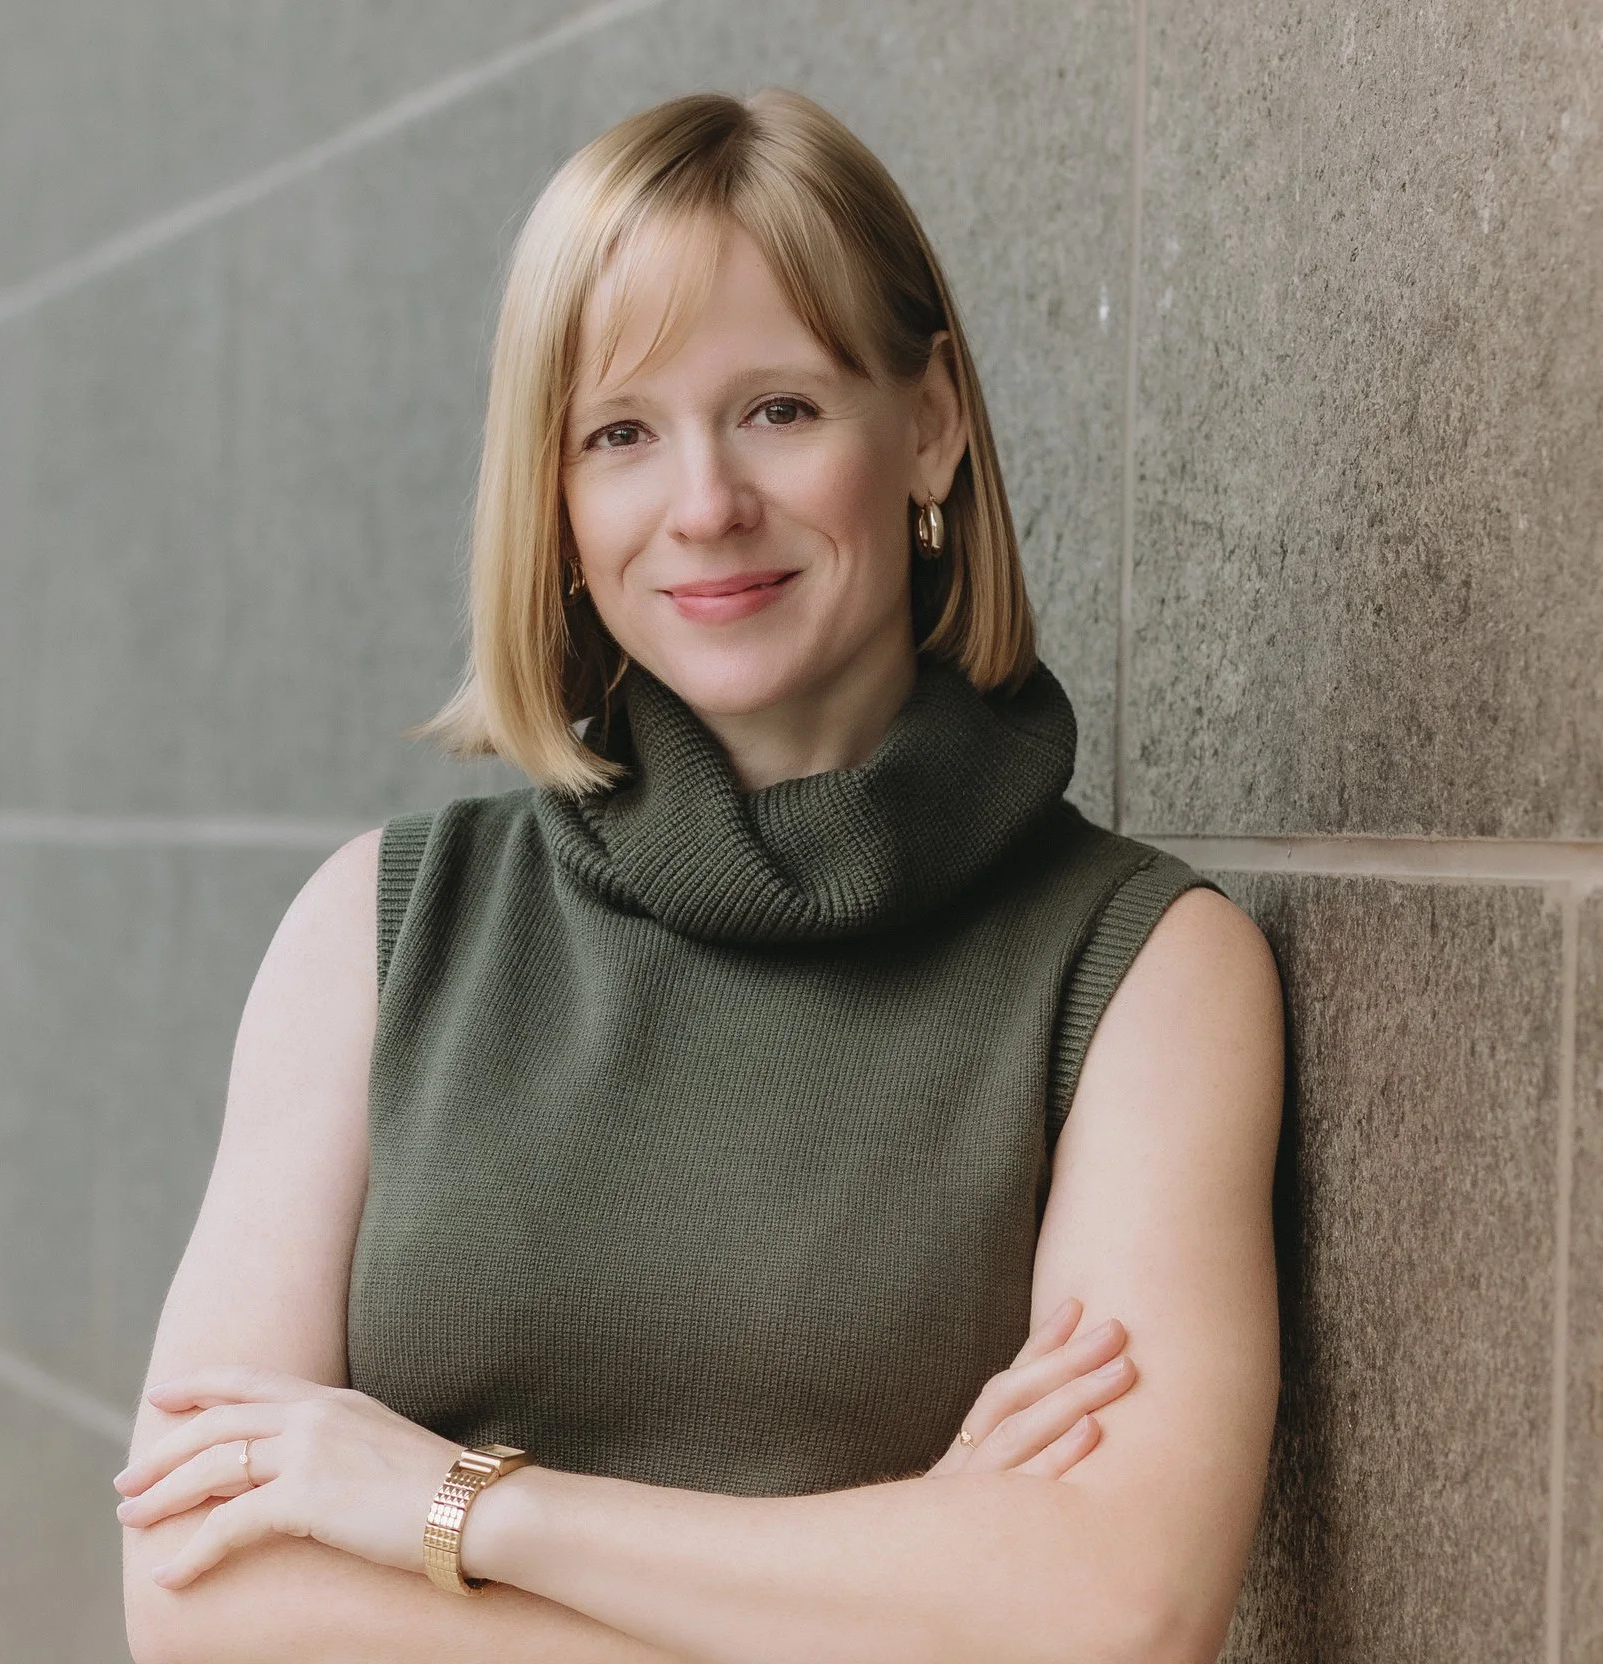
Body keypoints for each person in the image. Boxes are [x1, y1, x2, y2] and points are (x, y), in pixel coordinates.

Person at [116, 88, 1282, 1664]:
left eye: (781, 410)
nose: (705, 505)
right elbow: (198, 1593)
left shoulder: (1144, 971)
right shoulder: (381, 931)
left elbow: (1112, 1611)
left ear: (928, 421)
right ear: (559, 500)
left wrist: (458, 1509)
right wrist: (903, 1588)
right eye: (620, 434)